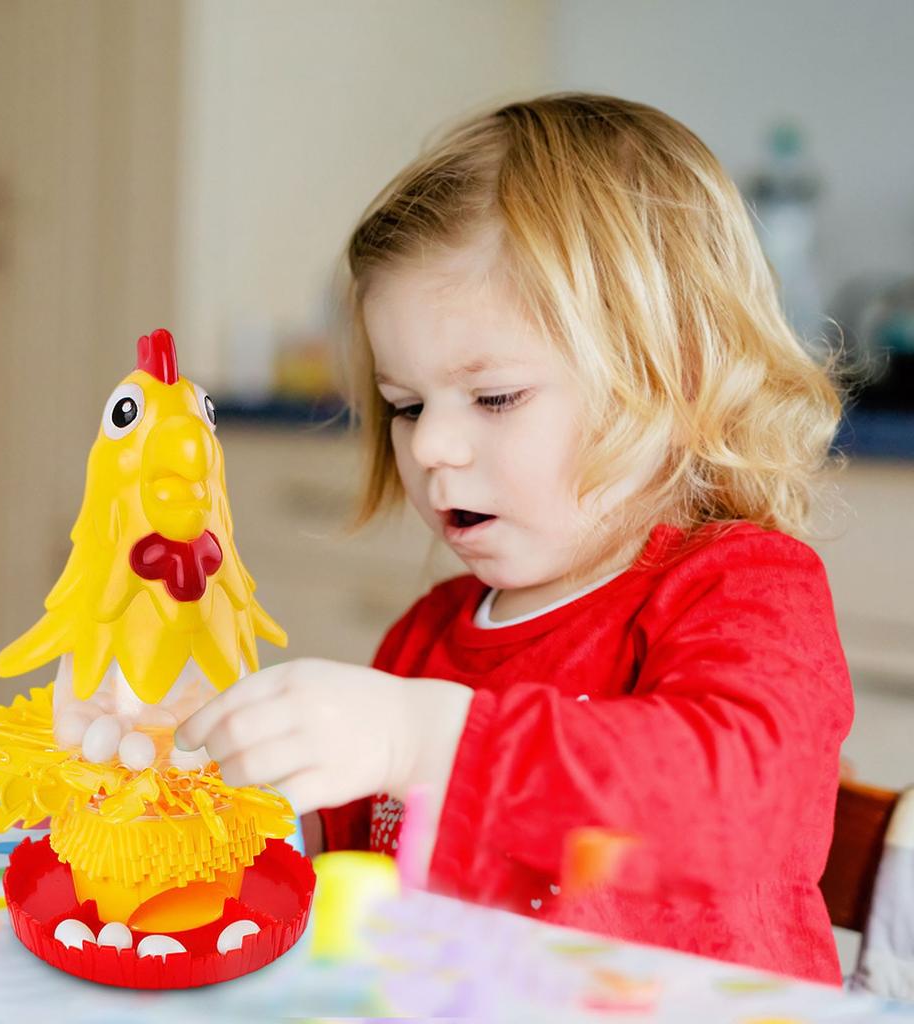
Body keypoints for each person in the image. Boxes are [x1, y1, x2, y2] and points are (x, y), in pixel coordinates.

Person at [175, 93, 854, 983]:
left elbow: (737, 807)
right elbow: (347, 870)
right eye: (405, 405)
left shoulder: (745, 589)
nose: (429, 444)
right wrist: (218, 764)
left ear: (678, 375)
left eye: (494, 397)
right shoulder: (427, 638)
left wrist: (422, 739)